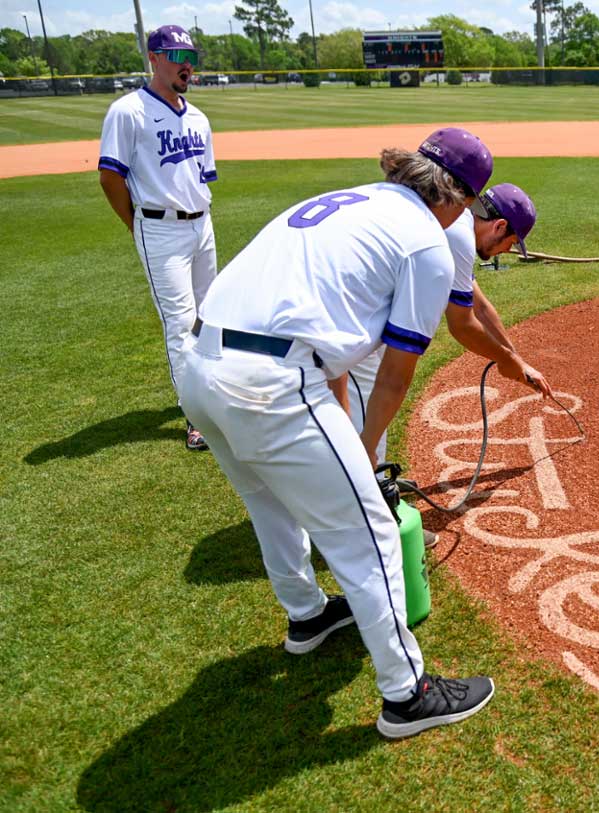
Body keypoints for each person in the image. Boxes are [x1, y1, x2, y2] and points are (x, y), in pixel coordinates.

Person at [178, 127, 542, 740]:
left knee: (269, 504)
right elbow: (395, 375)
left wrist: (353, 442)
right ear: (461, 198)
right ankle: (408, 695)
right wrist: (367, 455)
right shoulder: (426, 241)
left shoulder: (350, 199)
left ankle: (307, 617)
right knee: (369, 525)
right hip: (271, 382)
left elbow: (340, 356)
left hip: (201, 370)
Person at [347, 181, 549, 469]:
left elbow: (480, 306)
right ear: (500, 226)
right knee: (372, 393)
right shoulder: (460, 236)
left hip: (364, 304)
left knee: (364, 400)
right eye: (511, 242)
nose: (506, 250)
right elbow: (462, 325)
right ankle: (364, 487)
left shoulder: (461, 222)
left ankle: (361, 477)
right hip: (356, 314)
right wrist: (507, 360)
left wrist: (518, 361)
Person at [98, 24, 217, 451]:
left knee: (211, 316)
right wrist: (136, 225)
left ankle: (213, 396)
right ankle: (196, 417)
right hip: (159, 227)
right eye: (177, 56)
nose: (187, 65)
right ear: (154, 58)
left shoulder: (199, 117)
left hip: (202, 225)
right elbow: (110, 176)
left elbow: (202, 178)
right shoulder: (128, 111)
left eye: (192, 58)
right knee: (181, 324)